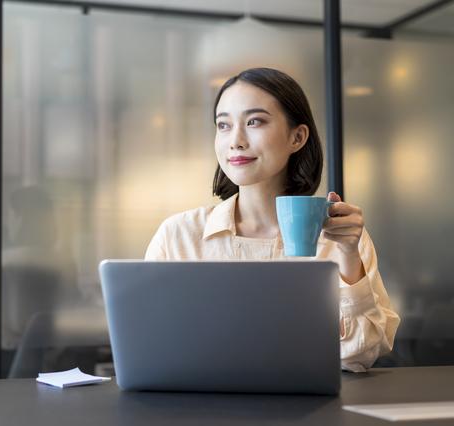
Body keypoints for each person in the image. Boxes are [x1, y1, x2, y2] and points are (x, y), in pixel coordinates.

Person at [144, 67, 400, 373]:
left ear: (297, 137)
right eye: (223, 125)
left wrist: (348, 257)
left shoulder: (340, 236)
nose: (235, 141)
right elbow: (150, 348)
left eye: (254, 121)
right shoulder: (179, 235)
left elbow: (360, 356)